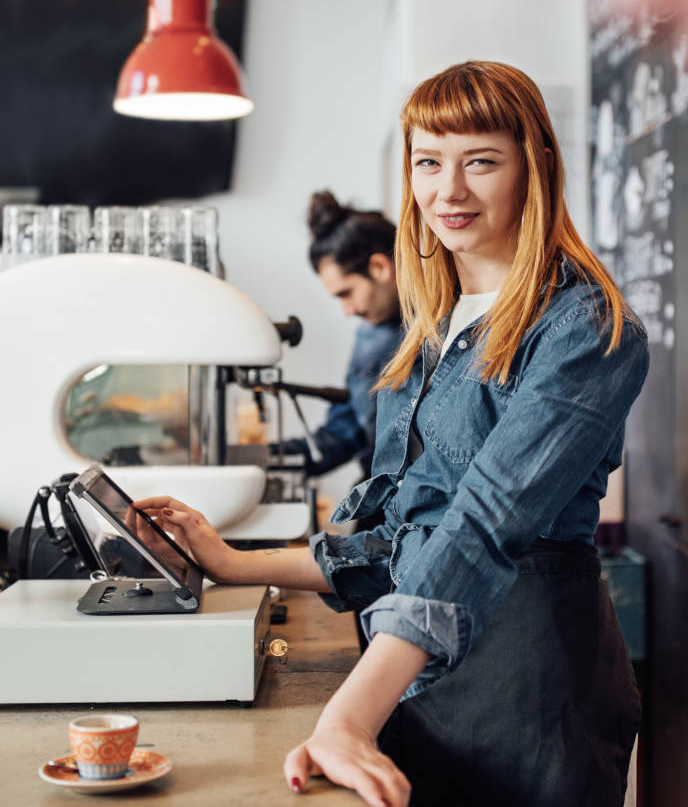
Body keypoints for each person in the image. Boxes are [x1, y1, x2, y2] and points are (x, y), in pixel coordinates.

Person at [135, 61, 649, 807]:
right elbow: (402, 533)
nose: (450, 191)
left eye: (480, 161)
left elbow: (480, 527)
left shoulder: (585, 327)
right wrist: (229, 562)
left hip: (524, 691)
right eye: (428, 163)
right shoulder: (432, 324)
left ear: (535, 164)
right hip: (412, 680)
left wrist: (348, 715)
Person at [276, 190, 403, 482]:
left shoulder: (447, 329)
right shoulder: (372, 332)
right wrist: (267, 457)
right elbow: (346, 432)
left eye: (346, 293)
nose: (347, 310)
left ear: (380, 267)